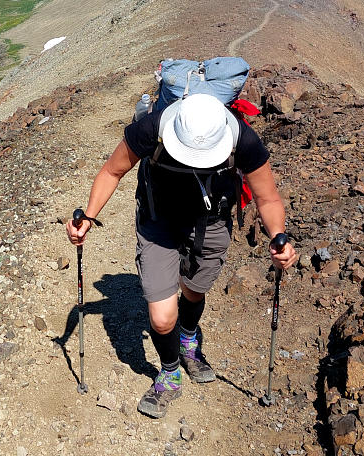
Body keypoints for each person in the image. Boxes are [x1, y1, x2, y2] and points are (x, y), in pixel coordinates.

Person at [66, 93, 297, 418]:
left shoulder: (241, 138)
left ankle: (189, 340)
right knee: (162, 318)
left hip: (212, 222)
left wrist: (277, 237)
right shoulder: (153, 128)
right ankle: (170, 372)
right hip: (158, 222)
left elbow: (267, 197)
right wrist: (87, 218)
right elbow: (111, 172)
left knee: (194, 290)